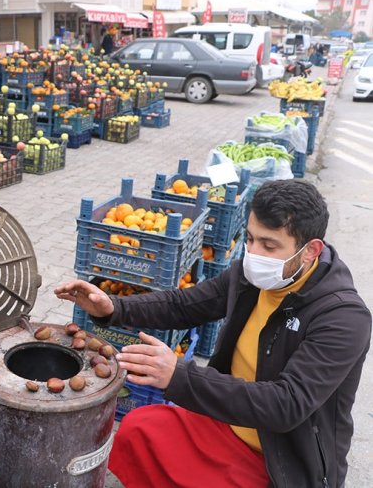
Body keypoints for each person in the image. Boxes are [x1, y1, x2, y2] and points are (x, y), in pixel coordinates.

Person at [55, 180, 371, 487]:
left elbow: (285, 405)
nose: (253, 252)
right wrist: (113, 307)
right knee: (138, 429)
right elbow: (183, 305)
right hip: (226, 419)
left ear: (310, 251)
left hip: (281, 458)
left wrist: (178, 376)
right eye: (249, 238)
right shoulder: (251, 276)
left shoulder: (343, 317)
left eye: (269, 245)